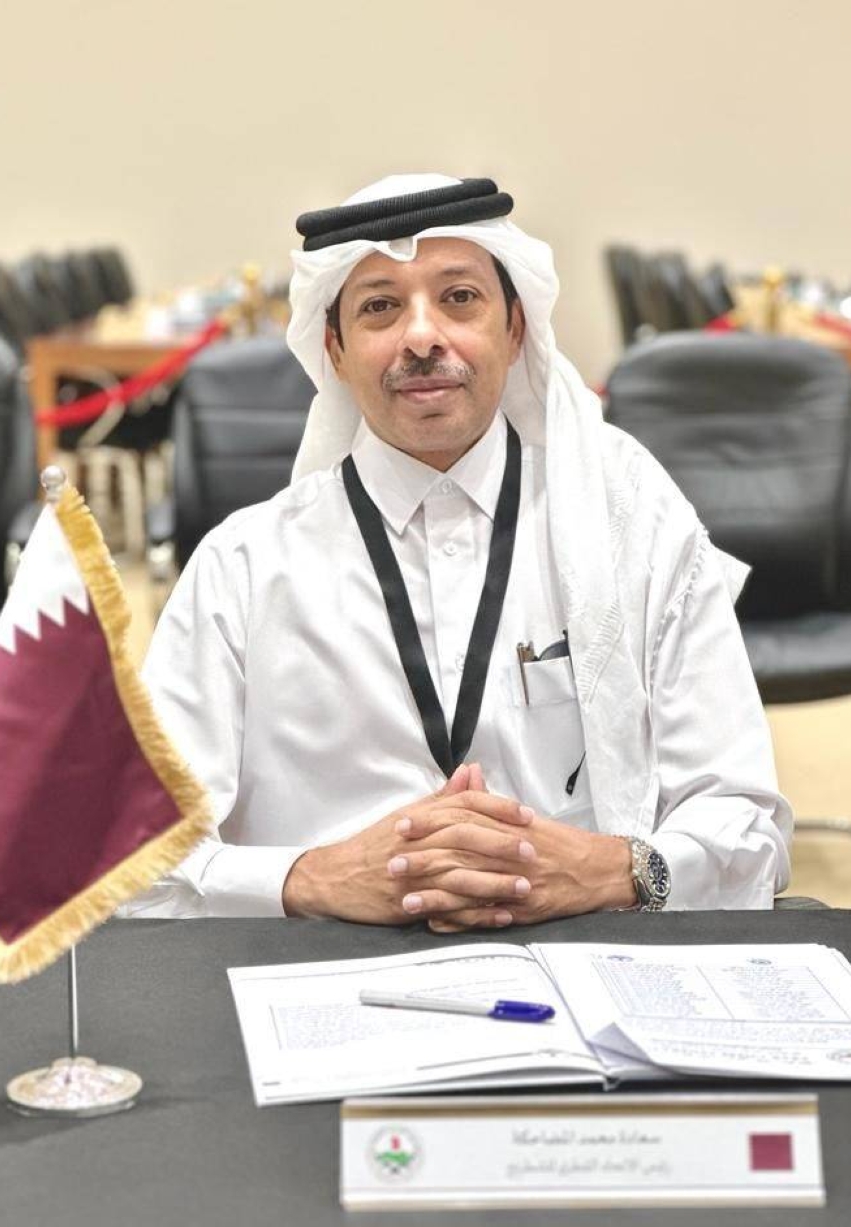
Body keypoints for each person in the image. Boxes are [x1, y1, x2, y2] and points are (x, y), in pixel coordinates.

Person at [123, 174, 792, 929]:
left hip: (585, 950)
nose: (421, 336)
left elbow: (748, 825)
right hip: (321, 966)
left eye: (459, 297)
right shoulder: (241, 568)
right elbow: (131, 862)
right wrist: (311, 877)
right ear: (334, 349)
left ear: (515, 328)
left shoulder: (633, 526)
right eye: (380, 306)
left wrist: (605, 869)